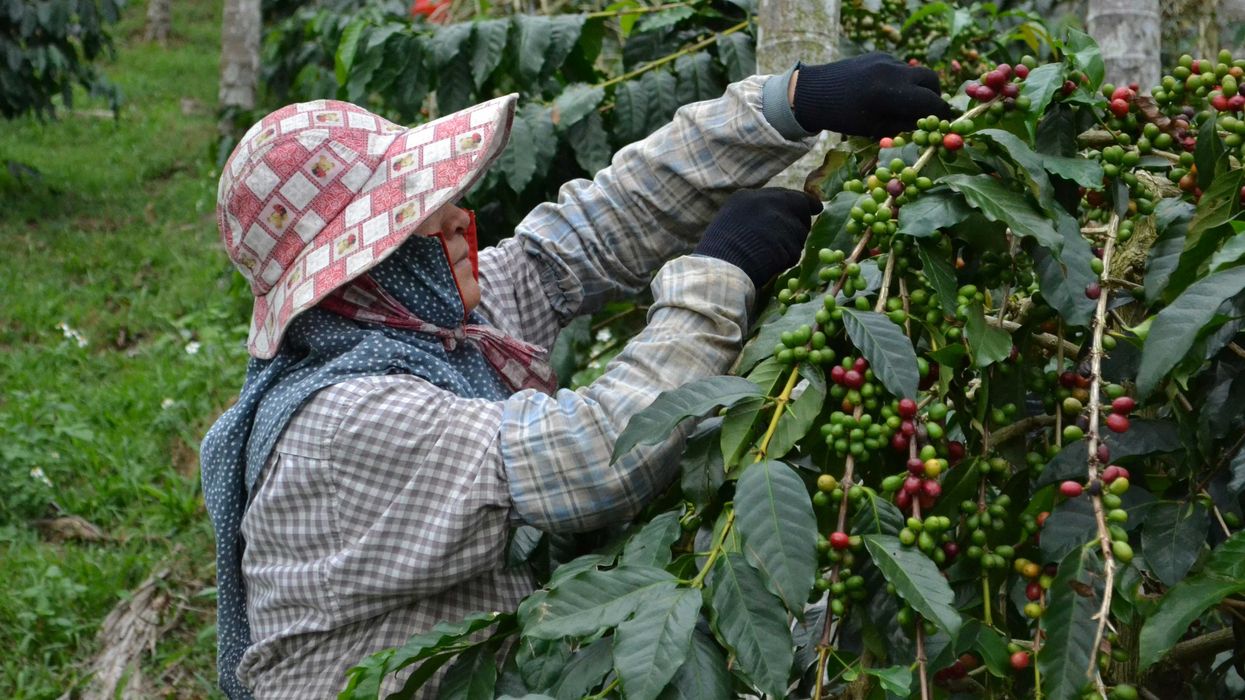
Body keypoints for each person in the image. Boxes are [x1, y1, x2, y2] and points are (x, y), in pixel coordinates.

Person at [201, 52, 952, 699]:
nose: (458, 219)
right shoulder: (341, 421)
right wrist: (716, 277)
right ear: (363, 273)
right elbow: (593, 457)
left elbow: (578, 239)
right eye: (414, 220)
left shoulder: (423, 325)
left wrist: (785, 104)